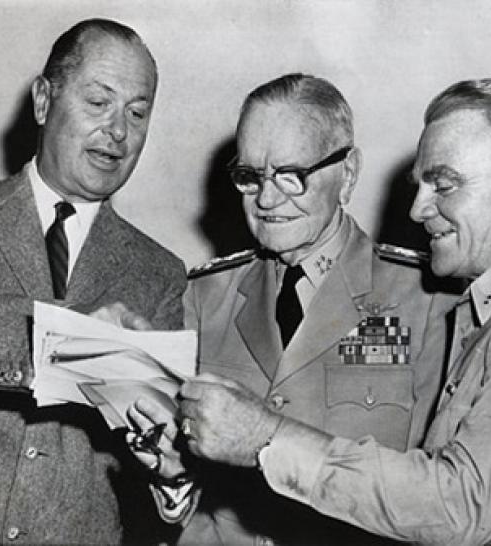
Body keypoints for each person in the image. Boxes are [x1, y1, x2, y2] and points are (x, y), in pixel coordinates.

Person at [170, 78, 491, 545]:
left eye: (444, 184)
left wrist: (266, 438)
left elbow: (458, 506)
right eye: (250, 176)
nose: (419, 209)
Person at [127, 73, 461, 545]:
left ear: (347, 174)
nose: (266, 199)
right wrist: (172, 476)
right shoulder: (203, 295)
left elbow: (440, 501)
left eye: (292, 176)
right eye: (250, 177)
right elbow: (186, 496)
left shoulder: (429, 301)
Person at [0, 19, 186, 544]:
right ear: (44, 101)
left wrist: (173, 475)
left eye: (137, 113)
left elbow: (152, 469)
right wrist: (76, 344)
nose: (117, 132)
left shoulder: (162, 275)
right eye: (98, 103)